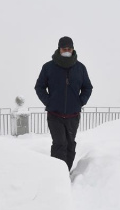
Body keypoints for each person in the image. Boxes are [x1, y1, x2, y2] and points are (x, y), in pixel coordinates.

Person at [34, 36, 93, 171]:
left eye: (69, 49)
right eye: (64, 48)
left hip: (73, 115)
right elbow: (39, 87)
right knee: (60, 144)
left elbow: (87, 87)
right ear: (59, 49)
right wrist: (49, 101)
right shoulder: (48, 67)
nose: (67, 51)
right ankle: (57, 174)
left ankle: (66, 172)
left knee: (70, 145)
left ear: (73, 50)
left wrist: (80, 101)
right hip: (55, 114)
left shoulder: (80, 68)